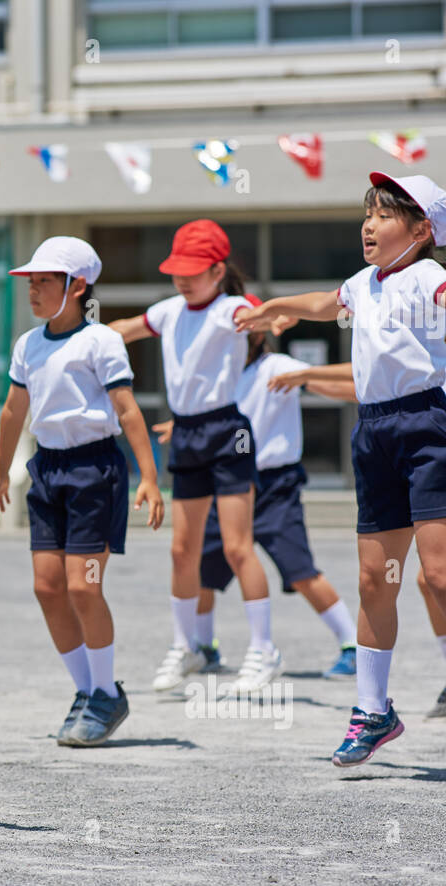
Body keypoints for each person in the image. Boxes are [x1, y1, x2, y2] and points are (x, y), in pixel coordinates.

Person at [235, 171, 446, 766]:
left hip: (426, 429)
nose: (369, 224)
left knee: (445, 576)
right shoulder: (361, 283)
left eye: (385, 214)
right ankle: (373, 711)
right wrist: (275, 307)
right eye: (366, 212)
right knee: (376, 579)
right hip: (373, 434)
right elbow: (324, 304)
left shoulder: (430, 278)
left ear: (422, 230)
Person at [266, 267, 446, 718]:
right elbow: (361, 377)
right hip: (403, 447)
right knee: (417, 579)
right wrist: (306, 375)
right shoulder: (411, 342)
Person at [0, 236, 164, 747]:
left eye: (44, 281)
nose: (33, 290)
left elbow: (128, 411)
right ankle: (89, 693)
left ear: (77, 285)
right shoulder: (28, 344)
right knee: (47, 587)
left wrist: (150, 477)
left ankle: (106, 690)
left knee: (84, 585)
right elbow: (13, 411)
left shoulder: (101, 341)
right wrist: (0, 472)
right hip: (48, 469)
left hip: (94, 468)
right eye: (31, 281)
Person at [105, 219, 280, 694]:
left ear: (218, 270)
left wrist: (272, 318)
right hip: (186, 434)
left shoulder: (230, 309)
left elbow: (262, 314)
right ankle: (188, 646)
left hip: (228, 431)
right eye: (177, 269)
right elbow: (122, 329)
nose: (182, 278)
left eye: (194, 270)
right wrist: (80, 337)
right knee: (182, 550)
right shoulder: (168, 311)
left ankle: (264, 650)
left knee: (237, 546)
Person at [150, 323, 361, 684]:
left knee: (301, 570)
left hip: (275, 485)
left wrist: (365, 390)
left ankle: (352, 645)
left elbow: (341, 387)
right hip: (228, 481)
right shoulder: (223, 371)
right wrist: (179, 427)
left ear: (257, 336)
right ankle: (203, 647)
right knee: (203, 568)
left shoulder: (277, 366)